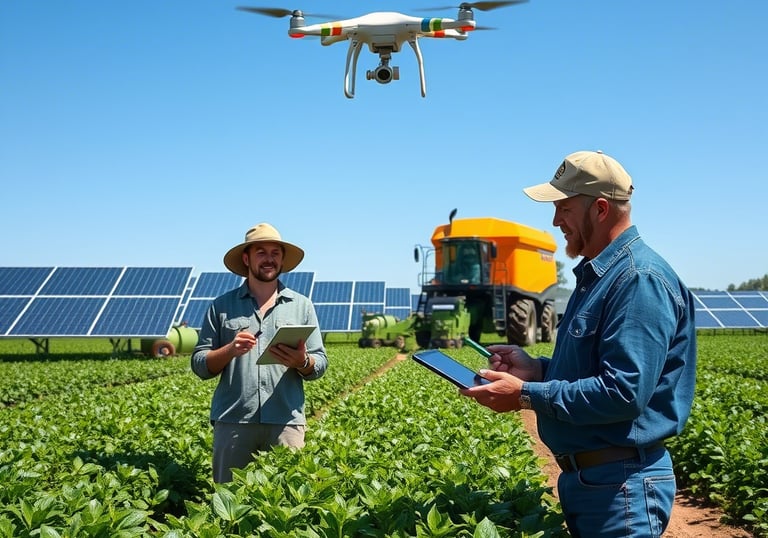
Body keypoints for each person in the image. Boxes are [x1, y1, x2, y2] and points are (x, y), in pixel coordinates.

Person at [460, 150, 697, 537]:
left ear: (601, 209)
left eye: (564, 208)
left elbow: (623, 393)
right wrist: (537, 369)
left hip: (621, 487)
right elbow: (596, 371)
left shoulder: (638, 279)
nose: (556, 221)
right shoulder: (600, 276)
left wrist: (525, 395)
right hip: (598, 482)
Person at [191, 222, 328, 483]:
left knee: (288, 504)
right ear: (246, 258)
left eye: (275, 253)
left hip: (286, 421)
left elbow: (319, 362)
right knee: (229, 500)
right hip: (233, 421)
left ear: (282, 259)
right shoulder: (221, 306)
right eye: (261, 252)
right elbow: (200, 364)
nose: (269, 259)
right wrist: (230, 350)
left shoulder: (301, 305)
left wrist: (303, 361)